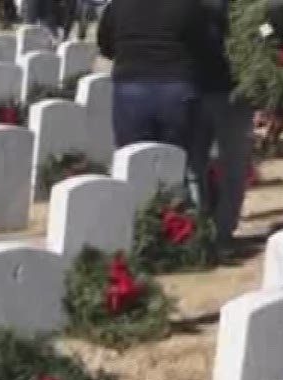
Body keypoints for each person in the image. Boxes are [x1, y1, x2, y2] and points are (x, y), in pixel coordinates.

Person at [95, 0, 225, 150]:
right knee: (175, 156)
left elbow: (105, 44)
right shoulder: (190, 5)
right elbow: (204, 45)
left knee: (132, 154)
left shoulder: (118, 5)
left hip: (132, 81)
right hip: (176, 84)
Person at [186, 0, 253, 247]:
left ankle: (221, 229)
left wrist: (265, 32)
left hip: (230, 92)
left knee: (227, 166)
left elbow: (267, 28)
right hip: (199, 91)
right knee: (199, 166)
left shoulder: (246, 10)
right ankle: (206, 227)